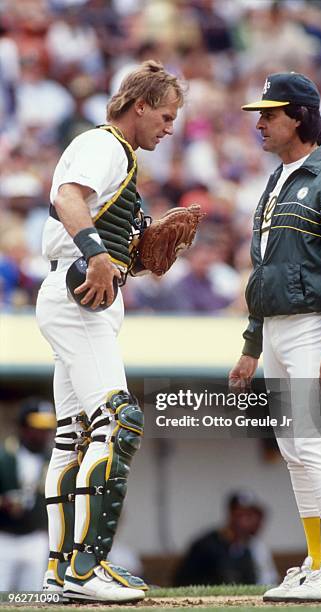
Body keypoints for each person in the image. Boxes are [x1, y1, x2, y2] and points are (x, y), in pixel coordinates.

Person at [36, 60, 184, 603]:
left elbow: (92, 220)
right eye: (165, 116)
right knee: (118, 420)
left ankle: (59, 572)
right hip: (79, 296)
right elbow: (67, 199)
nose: (169, 127)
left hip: (76, 291)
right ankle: (85, 569)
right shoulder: (106, 146)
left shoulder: (114, 153)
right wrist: (99, 253)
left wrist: (135, 258)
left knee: (73, 437)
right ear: (139, 106)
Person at [229, 72, 321, 602]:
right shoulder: (277, 180)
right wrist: (251, 344)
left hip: (314, 327)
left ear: (300, 117)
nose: (260, 123)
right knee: (293, 449)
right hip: (278, 329)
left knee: (314, 444)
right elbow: (263, 270)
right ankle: (317, 560)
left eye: (269, 114)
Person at [0, 398, 55, 591]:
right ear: (23, 427)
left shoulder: (54, 459)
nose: (44, 434)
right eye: (37, 427)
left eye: (47, 428)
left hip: (35, 538)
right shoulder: (5, 456)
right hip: (4, 538)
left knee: (33, 596)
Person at [174, 490, 276, 586]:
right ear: (231, 515)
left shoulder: (253, 547)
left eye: (253, 516)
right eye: (243, 515)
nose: (251, 521)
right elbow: (182, 581)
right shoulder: (206, 545)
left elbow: (265, 581)